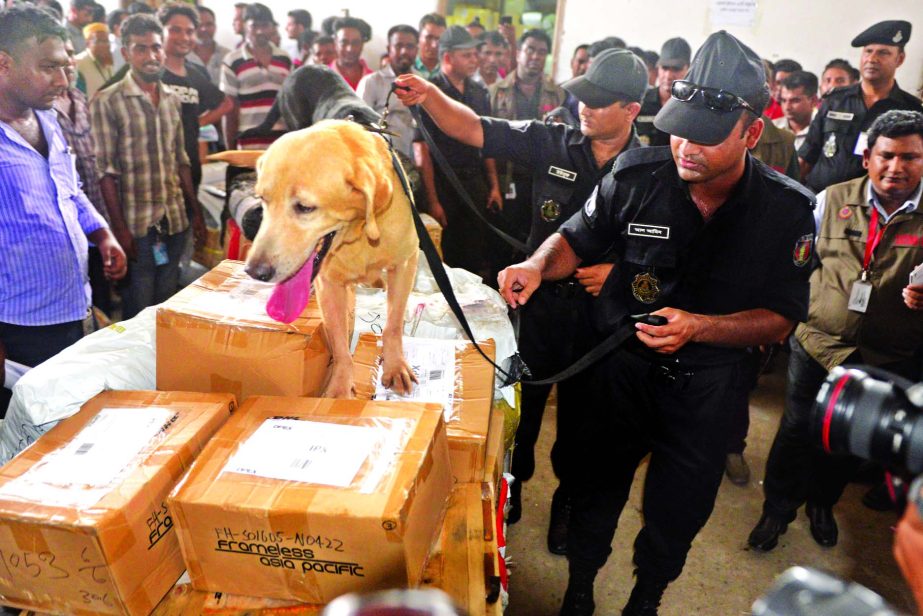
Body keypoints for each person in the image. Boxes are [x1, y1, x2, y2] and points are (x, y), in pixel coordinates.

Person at [495, 31, 815, 615]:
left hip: (708, 389)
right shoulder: (636, 176)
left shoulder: (785, 211)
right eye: (679, 128)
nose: (686, 147)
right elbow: (574, 237)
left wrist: (701, 327)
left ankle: (646, 598)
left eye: (707, 136)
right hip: (619, 371)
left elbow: (780, 319)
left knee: (679, 508)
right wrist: (537, 265)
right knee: (594, 488)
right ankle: (581, 588)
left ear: (751, 133)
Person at [394, 47, 647, 561]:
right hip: (538, 306)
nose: (585, 109)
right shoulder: (553, 138)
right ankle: (514, 489)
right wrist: (433, 96)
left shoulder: (653, 165)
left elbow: (669, 245)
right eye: (582, 98)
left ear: (632, 110)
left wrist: (625, 273)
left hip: (603, 321)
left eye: (599, 103)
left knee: (582, 423)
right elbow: (476, 129)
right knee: (520, 411)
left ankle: (567, 503)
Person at [749, 109, 923, 554]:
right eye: (886, 155)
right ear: (867, 158)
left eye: (910, 157)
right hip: (819, 344)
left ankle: (821, 505)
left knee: (848, 440)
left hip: (886, 353)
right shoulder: (829, 199)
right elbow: (794, 264)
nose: (896, 167)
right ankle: (777, 508)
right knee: (796, 428)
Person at [0, 5, 126, 412]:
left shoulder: (48, 121)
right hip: (18, 328)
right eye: (49, 68)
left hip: (71, 309)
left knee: (69, 425)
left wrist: (102, 233)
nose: (63, 80)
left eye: (66, 67)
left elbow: (69, 190)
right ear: (4, 64)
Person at [90, 13, 204, 320]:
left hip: (175, 219)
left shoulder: (171, 99)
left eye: (156, 47)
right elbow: (105, 173)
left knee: (166, 302)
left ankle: (162, 364)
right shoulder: (107, 101)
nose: (151, 56)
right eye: (141, 48)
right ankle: (139, 366)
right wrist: (120, 229)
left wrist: (195, 212)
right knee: (138, 308)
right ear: (126, 53)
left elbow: (181, 160)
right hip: (136, 225)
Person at [410, 25, 500, 281]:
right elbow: (422, 149)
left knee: (474, 253)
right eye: (467, 55)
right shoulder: (428, 92)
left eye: (475, 54)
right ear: (448, 57)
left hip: (474, 182)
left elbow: (488, 141)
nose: (475, 60)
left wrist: (493, 185)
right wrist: (433, 200)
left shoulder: (478, 92)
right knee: (442, 256)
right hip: (442, 184)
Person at [800, 20, 923, 193]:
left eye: (883, 53)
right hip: (820, 197)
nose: (872, 59)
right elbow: (807, 156)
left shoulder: (911, 110)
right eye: (868, 51)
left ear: (899, 59)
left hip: (867, 206)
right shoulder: (835, 100)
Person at [489, 29, 566, 279]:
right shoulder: (496, 91)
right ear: (518, 53)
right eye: (530, 49)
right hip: (507, 178)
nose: (535, 56)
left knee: (536, 240)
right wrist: (493, 185)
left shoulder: (558, 94)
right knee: (500, 242)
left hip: (542, 181)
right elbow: (487, 142)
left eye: (541, 52)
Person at [156, 3, 231, 187]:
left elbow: (226, 103)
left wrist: (195, 125)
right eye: (175, 30)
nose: (184, 37)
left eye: (189, 31)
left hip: (190, 167)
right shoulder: (149, 72)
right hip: (156, 172)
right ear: (160, 32)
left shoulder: (195, 73)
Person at [220, 2, 291, 150]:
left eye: (265, 25)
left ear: (272, 27)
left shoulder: (285, 60)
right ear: (245, 26)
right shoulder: (232, 61)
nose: (259, 31)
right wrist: (231, 153)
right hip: (247, 144)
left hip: (281, 144)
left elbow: (290, 104)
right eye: (254, 26)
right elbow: (229, 109)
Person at [357, 24, 418, 160]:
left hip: (416, 161)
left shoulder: (423, 83)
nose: (404, 51)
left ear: (416, 50)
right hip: (381, 159)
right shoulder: (371, 82)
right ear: (389, 49)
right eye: (398, 46)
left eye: (410, 46)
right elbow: (360, 125)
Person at [637, 37, 690, 147]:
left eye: (676, 69)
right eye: (664, 68)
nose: (668, 76)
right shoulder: (641, 102)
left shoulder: (694, 107)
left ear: (689, 69)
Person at [774, 71, 819, 151]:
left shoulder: (825, 131)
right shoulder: (772, 128)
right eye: (783, 100)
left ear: (813, 100)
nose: (787, 107)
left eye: (795, 101)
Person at [189, 5, 229, 86]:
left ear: (215, 27)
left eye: (209, 24)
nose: (204, 29)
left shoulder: (227, 56)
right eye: (199, 25)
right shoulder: (183, 57)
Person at [329, 16, 371, 91]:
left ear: (362, 44)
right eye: (344, 42)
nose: (350, 49)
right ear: (335, 43)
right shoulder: (322, 78)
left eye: (355, 43)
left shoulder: (374, 79)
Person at [75, 22, 113, 98]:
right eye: (99, 41)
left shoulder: (107, 60)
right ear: (88, 43)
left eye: (106, 41)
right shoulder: (78, 62)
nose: (104, 45)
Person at [414, 13, 445, 80]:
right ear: (418, 37)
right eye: (429, 37)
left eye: (439, 39)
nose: (434, 45)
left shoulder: (450, 71)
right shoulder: (407, 67)